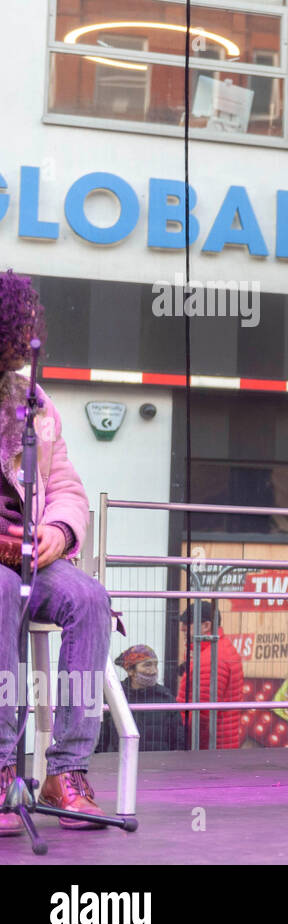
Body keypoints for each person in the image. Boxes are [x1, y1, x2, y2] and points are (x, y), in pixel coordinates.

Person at [0, 270, 114, 833]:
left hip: (28, 555)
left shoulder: (34, 405)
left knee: (90, 597)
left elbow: (67, 488)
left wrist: (60, 533)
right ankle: (0, 769)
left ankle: (65, 772)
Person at [175, 601, 245, 749]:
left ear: (206, 626)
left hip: (210, 748)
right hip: (221, 743)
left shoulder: (211, 658)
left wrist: (187, 744)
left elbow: (202, 716)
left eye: (187, 625)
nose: (182, 629)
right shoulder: (218, 649)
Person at [98, 644, 184, 753]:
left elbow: (178, 739)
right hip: (121, 764)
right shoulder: (115, 696)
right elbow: (101, 736)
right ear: (130, 670)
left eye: (156, 665)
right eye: (147, 665)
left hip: (159, 765)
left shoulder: (166, 697)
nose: (154, 671)